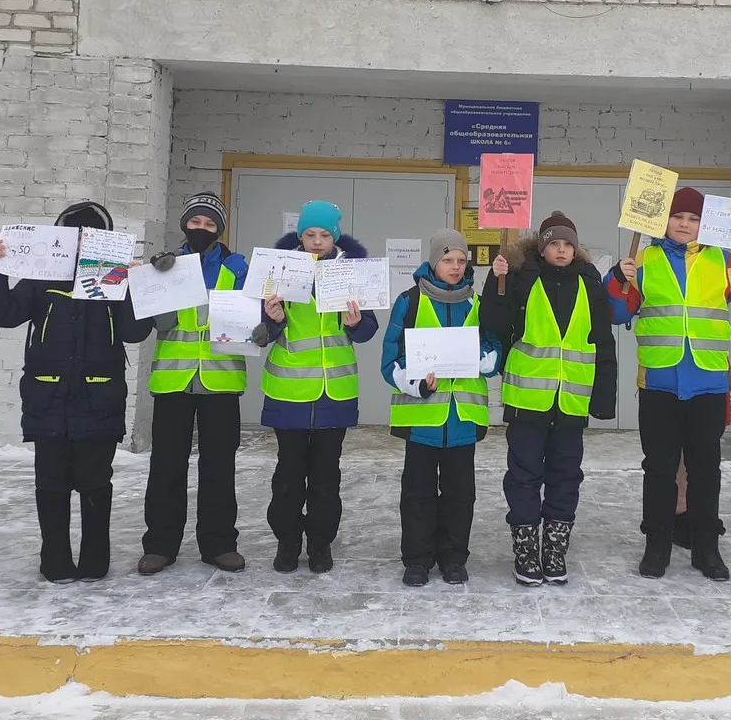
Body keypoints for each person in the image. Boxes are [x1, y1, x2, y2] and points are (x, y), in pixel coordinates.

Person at [607, 186, 731, 582]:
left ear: (705, 224)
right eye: (678, 217)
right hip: (659, 382)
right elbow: (618, 312)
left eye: (693, 219)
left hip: (707, 383)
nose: (685, 224)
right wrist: (618, 278)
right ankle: (656, 545)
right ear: (663, 221)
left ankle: (707, 548)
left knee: (706, 469)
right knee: (659, 469)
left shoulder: (724, 259)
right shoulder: (644, 259)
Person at [0, 201, 155, 583]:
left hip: (100, 396)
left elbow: (135, 332)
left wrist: (138, 289)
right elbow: (2, 314)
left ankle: (95, 560)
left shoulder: (116, 279)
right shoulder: (42, 276)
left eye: (90, 235)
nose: (80, 243)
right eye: (73, 235)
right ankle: (54, 559)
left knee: (95, 480)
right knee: (51, 482)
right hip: (48, 396)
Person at [481, 211, 617, 587]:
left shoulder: (591, 284)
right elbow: (492, 321)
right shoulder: (522, 279)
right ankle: (525, 549)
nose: (561, 249)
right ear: (542, 248)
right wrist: (497, 280)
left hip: (571, 401)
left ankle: (554, 549)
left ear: (576, 249)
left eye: (567, 244)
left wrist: (603, 399)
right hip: (527, 401)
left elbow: (603, 343)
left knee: (566, 476)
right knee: (524, 476)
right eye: (554, 243)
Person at [251, 200, 379, 574]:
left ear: (335, 236)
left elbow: (368, 331)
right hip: (288, 391)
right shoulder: (277, 270)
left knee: (326, 477)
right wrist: (271, 319)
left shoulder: (351, 272)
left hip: (334, 393)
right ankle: (287, 543)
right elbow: (260, 333)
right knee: (288, 476)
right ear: (300, 235)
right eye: (310, 234)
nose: (317, 241)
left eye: (325, 235)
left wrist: (355, 323)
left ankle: (321, 545)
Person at [380, 229, 502, 587]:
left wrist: (482, 360)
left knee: (460, 495)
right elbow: (391, 358)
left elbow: (494, 347)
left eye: (461, 261)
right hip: (422, 418)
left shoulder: (478, 303)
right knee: (417, 494)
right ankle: (417, 559)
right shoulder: (410, 300)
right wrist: (413, 383)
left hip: (463, 417)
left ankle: (453, 558)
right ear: (434, 262)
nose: (455, 266)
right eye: (448, 260)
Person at [138, 192, 250, 575]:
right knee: (166, 467)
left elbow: (255, 316)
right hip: (174, 381)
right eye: (195, 222)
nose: (201, 229)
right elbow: (159, 323)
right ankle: (159, 545)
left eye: (209, 223)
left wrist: (266, 325)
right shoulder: (166, 265)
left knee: (219, 468)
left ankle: (219, 544)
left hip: (221, 381)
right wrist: (153, 279)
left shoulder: (238, 267)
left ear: (220, 228)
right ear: (185, 224)